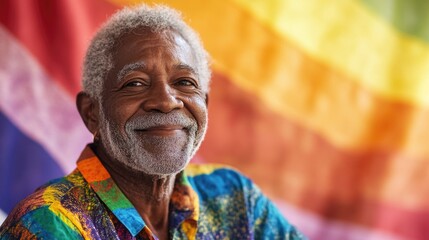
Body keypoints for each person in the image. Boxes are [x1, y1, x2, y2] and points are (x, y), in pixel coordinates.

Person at [0, 4, 305, 240]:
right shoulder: (49, 225)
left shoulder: (234, 198)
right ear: (91, 112)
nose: (166, 101)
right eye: (135, 83)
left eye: (185, 82)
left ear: (205, 104)